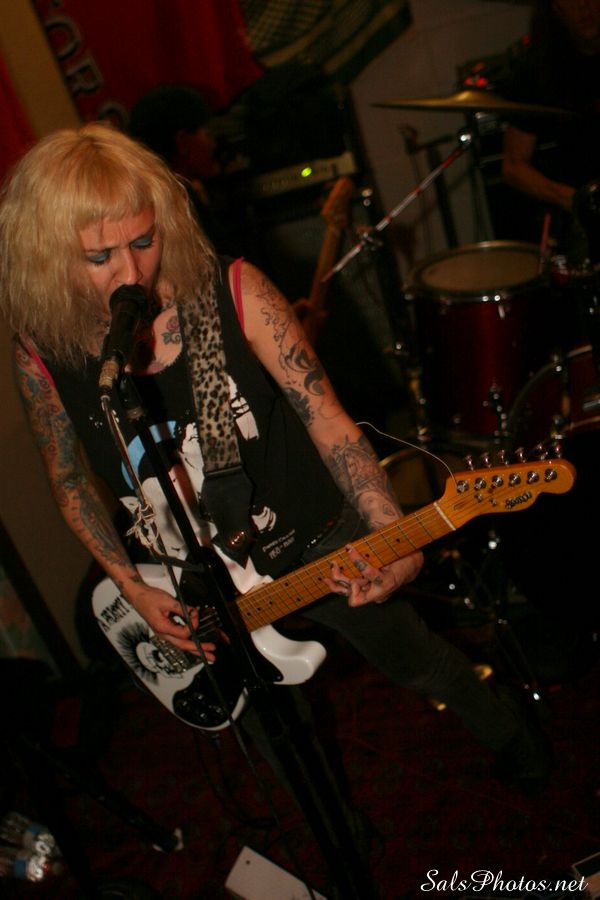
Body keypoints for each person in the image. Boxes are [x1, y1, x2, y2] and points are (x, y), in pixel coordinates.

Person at [0, 123, 550, 797]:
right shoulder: (41, 350)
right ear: (50, 255)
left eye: (144, 241)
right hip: (197, 582)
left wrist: (391, 533)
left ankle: (513, 736)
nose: (132, 274)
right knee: (273, 729)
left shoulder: (233, 292)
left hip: (317, 537)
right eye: (99, 256)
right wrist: (132, 587)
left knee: (418, 661)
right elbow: (68, 480)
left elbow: (329, 422)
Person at [501, 0, 600, 266]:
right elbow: (513, 166)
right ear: (556, 8)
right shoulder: (539, 69)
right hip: (585, 215)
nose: (583, 6)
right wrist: (575, 200)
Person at [128, 84, 246, 257]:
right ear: (182, 142)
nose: (213, 144)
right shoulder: (180, 200)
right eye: (206, 133)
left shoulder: (147, 199)